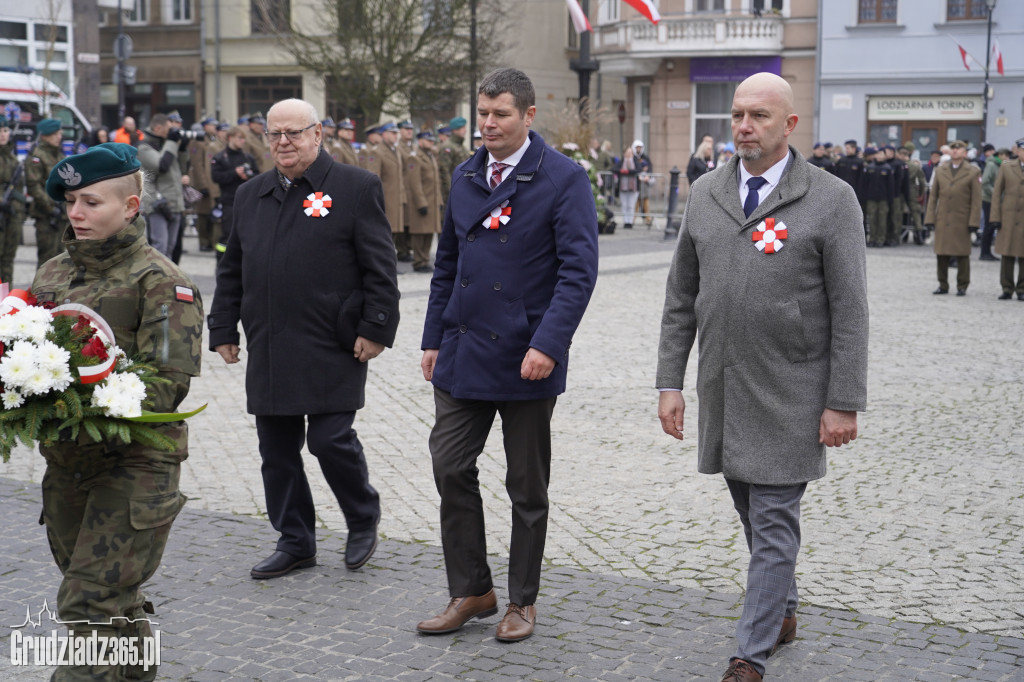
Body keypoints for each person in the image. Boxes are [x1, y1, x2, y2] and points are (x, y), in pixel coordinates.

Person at [656, 72, 868, 682]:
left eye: (759, 116)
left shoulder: (830, 198)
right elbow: (680, 298)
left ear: (790, 124)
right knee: (752, 513)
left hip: (793, 393)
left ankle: (749, 654)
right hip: (723, 386)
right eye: (738, 115)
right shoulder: (706, 192)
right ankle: (785, 610)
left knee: (774, 522)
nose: (744, 127)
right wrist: (670, 382)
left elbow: (851, 307)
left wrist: (843, 400)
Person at [416, 67, 599, 644]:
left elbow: (578, 272)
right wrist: (432, 336)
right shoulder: (467, 173)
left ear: (527, 116)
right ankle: (472, 588)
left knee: (526, 486)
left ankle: (522, 600)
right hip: (464, 350)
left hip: (526, 356)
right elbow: (448, 263)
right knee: (449, 465)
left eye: (500, 115)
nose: (489, 125)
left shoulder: (563, 178)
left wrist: (548, 343)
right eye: (483, 115)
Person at [32, 142, 203, 681]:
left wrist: (72, 395)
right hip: (66, 465)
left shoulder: (162, 282)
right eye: (71, 202)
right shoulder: (52, 275)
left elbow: (165, 387)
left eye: (91, 202)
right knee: (111, 599)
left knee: (89, 605)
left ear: (130, 207)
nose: (76, 213)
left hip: (136, 467)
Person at [208, 98, 400, 579]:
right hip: (271, 342)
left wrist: (376, 328)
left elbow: (380, 267)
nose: (283, 142)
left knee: (330, 439)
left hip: (333, 340)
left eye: (293, 133)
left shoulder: (356, 187)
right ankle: (295, 540)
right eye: (274, 134)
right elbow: (232, 269)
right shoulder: (251, 194)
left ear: (318, 134)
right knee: (276, 450)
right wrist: (223, 327)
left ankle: (361, 517)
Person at [924, 140, 981, 296]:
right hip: (943, 218)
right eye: (953, 148)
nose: (955, 151)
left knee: (962, 254)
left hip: (962, 219)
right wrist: (930, 219)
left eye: (959, 148)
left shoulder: (973, 171)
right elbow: (933, 196)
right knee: (941, 253)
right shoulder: (941, 170)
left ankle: (962, 285)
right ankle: (943, 284)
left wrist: (974, 221)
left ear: (964, 152)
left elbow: (976, 199)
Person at [137, 113, 187, 259]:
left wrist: (182, 147)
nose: (171, 133)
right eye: (169, 129)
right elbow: (162, 165)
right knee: (160, 249)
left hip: (175, 202)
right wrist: (172, 141)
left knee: (172, 249)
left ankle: (169, 281)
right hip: (158, 204)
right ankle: (156, 281)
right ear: (158, 128)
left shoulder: (167, 144)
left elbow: (182, 168)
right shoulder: (144, 147)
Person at [24, 118, 70, 267]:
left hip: (61, 214)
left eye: (60, 134)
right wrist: (51, 207)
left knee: (61, 258)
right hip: (45, 215)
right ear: (45, 135)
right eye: (56, 134)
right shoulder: (37, 156)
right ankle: (42, 291)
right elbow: (33, 186)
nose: (59, 137)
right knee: (47, 260)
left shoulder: (59, 155)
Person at [209, 126, 257, 260]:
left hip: (247, 203)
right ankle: (222, 263)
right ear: (230, 138)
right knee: (228, 235)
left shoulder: (247, 157)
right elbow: (216, 177)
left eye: (244, 139)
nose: (243, 141)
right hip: (229, 202)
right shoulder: (220, 157)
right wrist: (234, 173)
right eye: (240, 138)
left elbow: (258, 176)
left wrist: (248, 176)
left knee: (247, 234)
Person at [990, 138, 1024, 300]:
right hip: (1008, 216)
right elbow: (997, 193)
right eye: (1022, 150)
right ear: (1017, 151)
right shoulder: (1007, 167)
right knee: (1007, 253)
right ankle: (1007, 287)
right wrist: (995, 217)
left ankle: (1022, 289)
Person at [405, 130, 442, 272]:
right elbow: (415, 183)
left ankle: (425, 259)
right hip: (421, 201)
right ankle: (419, 262)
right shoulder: (414, 157)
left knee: (429, 232)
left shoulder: (431, 155)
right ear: (420, 141)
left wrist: (439, 200)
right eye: (428, 140)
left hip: (432, 200)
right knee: (420, 233)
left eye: (432, 141)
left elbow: (435, 181)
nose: (431, 143)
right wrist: (421, 203)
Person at [0, 115, 27, 284]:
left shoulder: (13, 159)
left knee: (8, 261)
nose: (2, 134)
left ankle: (5, 301)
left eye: (5, 130)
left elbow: (19, 190)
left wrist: (18, 212)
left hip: (12, 217)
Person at [979, 147, 1009, 261]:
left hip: (995, 199)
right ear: (1000, 155)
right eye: (1005, 155)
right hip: (989, 199)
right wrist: (996, 193)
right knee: (989, 225)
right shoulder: (992, 165)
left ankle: (987, 252)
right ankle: (984, 252)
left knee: (992, 225)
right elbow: (985, 182)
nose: (1007, 158)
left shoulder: (1000, 165)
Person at [861, 146, 893, 247]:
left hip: (883, 199)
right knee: (872, 220)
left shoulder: (887, 168)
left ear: (884, 156)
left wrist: (890, 199)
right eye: (877, 154)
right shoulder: (870, 167)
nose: (879, 156)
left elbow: (890, 186)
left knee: (882, 220)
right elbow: (865, 183)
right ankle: (872, 239)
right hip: (871, 198)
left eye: (881, 154)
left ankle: (880, 239)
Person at [617, 144, 641, 229]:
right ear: (624, 153)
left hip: (633, 187)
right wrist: (622, 171)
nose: (629, 153)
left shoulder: (635, 161)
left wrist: (627, 171)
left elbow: (638, 169)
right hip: (623, 187)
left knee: (631, 205)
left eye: (630, 152)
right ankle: (625, 221)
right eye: (627, 152)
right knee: (624, 205)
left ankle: (630, 222)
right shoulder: (621, 161)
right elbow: (614, 169)